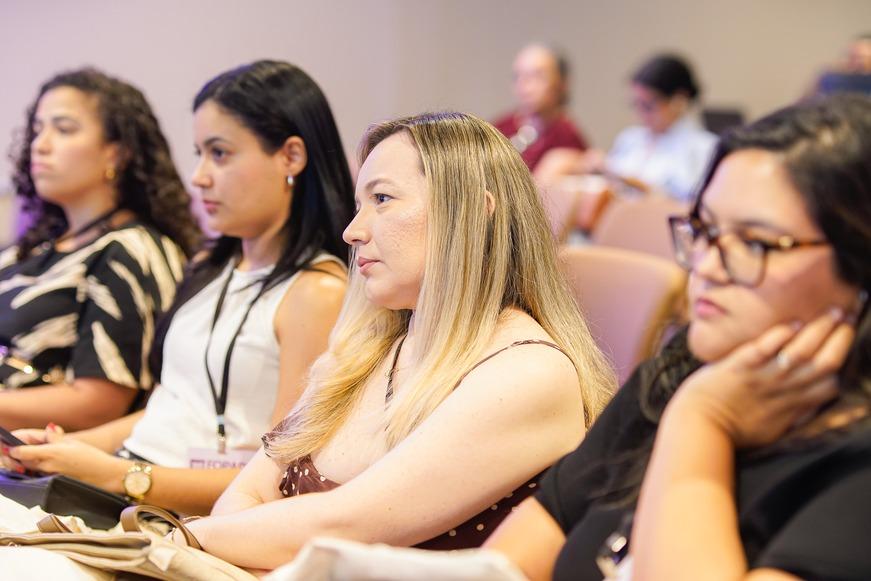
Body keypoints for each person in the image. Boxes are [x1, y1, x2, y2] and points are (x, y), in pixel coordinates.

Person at [138, 111, 619, 570]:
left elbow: (346, 526)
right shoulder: (368, 350)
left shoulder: (531, 372)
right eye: (358, 206)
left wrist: (179, 537)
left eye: (383, 199)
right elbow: (245, 495)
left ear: (475, 213)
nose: (352, 232)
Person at [485, 93, 871, 580]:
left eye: (755, 243)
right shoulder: (679, 368)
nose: (706, 266)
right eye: (705, 229)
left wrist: (701, 417)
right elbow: (506, 566)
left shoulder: (854, 469)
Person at [5, 60, 354, 516]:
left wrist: (119, 475)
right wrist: (66, 449)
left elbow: (278, 478)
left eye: (220, 153)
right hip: (131, 491)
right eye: (199, 153)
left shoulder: (316, 292)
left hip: (177, 516)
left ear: (290, 157)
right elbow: (170, 411)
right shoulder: (211, 269)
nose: (199, 176)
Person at [0, 68, 200, 431]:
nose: (40, 145)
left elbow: (99, 405)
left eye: (63, 129)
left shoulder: (132, 250)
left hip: (45, 456)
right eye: (37, 129)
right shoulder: (31, 249)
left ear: (117, 154)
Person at [537, 54, 717, 203]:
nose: (640, 114)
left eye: (647, 106)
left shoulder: (703, 147)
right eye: (635, 104)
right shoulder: (630, 139)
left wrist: (623, 178)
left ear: (679, 100)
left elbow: (685, 203)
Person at [493, 43, 590, 171]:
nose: (525, 84)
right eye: (517, 76)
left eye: (537, 76)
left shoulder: (568, 137)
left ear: (561, 83)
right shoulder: (500, 130)